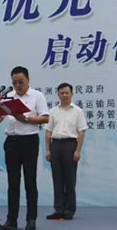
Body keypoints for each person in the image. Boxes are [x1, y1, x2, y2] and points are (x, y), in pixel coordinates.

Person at [0, 66, 49, 230]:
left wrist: (25, 119)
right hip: (12, 142)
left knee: (30, 182)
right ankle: (12, 220)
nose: (18, 85)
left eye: (21, 82)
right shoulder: (8, 97)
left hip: (29, 141)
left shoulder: (37, 95)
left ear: (28, 80)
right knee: (13, 183)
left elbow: (45, 118)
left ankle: (31, 220)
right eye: (14, 82)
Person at [44, 82, 88, 221]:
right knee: (57, 179)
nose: (64, 95)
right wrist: (48, 150)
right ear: (58, 94)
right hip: (55, 145)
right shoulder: (53, 111)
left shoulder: (77, 111)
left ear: (71, 94)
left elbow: (81, 132)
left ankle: (69, 209)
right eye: (61, 93)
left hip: (70, 145)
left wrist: (77, 150)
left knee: (69, 179)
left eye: (66, 93)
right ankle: (58, 209)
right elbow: (48, 132)